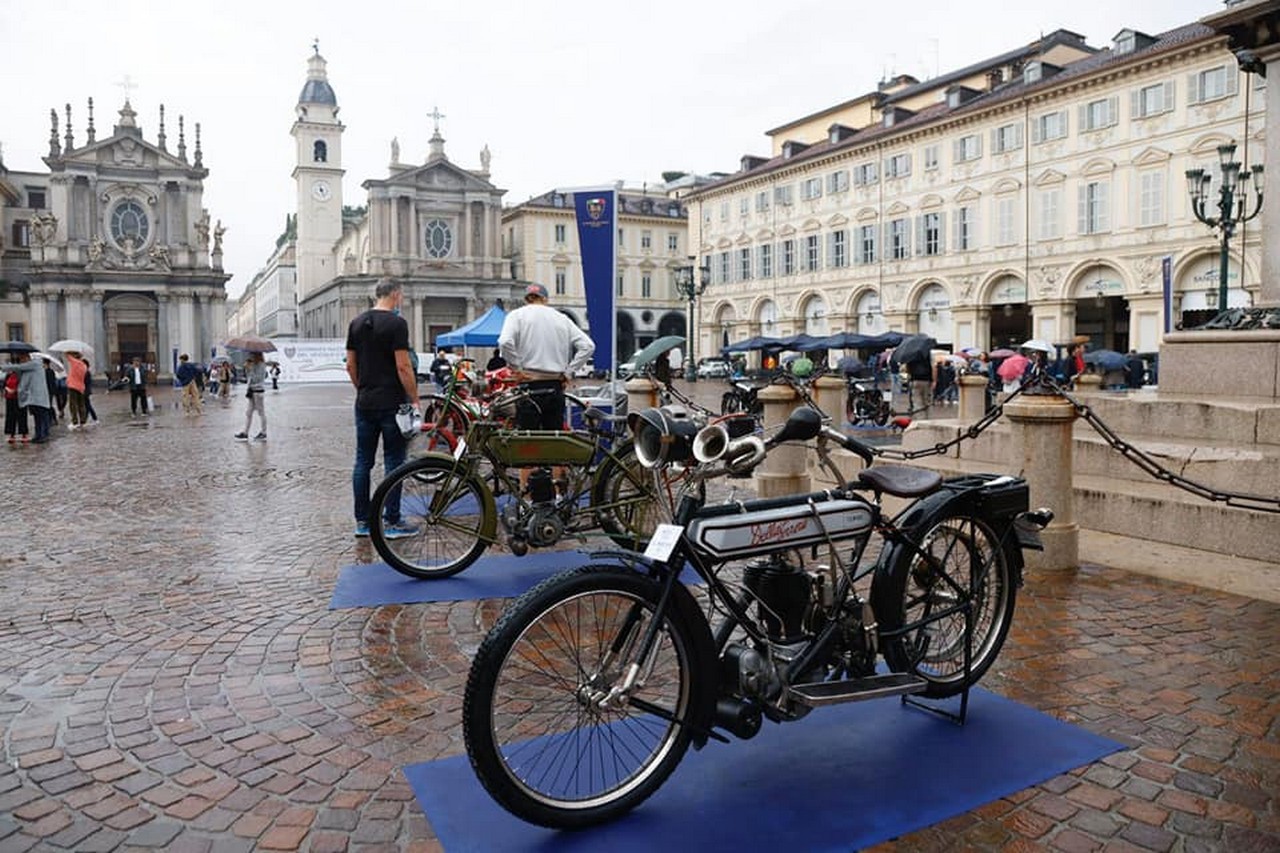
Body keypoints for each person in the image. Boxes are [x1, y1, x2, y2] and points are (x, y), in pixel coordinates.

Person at [345, 279, 421, 539]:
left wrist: (362, 388)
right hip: (392, 403)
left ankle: (362, 523)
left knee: (362, 463)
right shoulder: (397, 324)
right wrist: (414, 398)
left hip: (364, 401)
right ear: (396, 294)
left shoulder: (356, 323)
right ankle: (392, 521)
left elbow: (350, 366)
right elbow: (403, 366)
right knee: (394, 462)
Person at [498, 283, 595, 433]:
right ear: (545, 299)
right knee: (553, 438)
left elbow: (504, 342)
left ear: (526, 299)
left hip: (529, 385)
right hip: (554, 385)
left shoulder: (516, 315)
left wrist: (516, 368)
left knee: (529, 439)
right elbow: (588, 346)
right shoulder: (561, 318)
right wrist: (569, 373)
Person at [1, 353, 53, 443]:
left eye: (22, 359)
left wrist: (3, 367)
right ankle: (38, 435)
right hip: (33, 397)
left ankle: (43, 435)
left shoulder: (35, 364)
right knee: (37, 417)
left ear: (27, 357)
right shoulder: (30, 367)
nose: (21, 361)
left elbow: (19, 367)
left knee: (41, 417)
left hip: (39, 397)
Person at [234, 353, 267, 440]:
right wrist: (247, 369)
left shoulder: (261, 365)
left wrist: (250, 370)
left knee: (261, 412)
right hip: (251, 391)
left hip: (258, 391)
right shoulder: (253, 365)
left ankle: (264, 432)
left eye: (252, 355)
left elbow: (257, 378)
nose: (250, 357)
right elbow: (248, 379)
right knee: (248, 413)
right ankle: (245, 433)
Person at [3, 359, 28, 444]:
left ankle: (24, 435)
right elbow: (4, 384)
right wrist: (7, 389)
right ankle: (12, 435)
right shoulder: (8, 375)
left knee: (22, 416)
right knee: (10, 417)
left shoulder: (21, 375)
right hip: (9, 398)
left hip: (19, 398)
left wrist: (15, 390)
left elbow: (24, 385)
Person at [65, 351, 89, 429]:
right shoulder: (84, 366)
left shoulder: (75, 363)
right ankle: (83, 421)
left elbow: (67, 355)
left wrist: (70, 351)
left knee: (73, 405)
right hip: (81, 387)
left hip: (73, 386)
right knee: (81, 405)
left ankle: (74, 422)